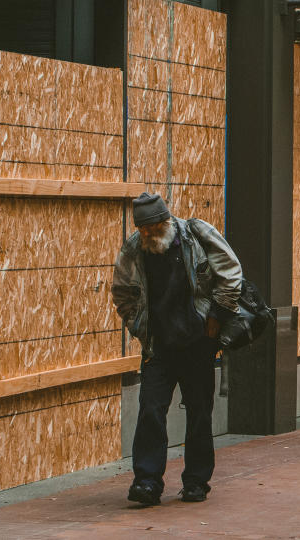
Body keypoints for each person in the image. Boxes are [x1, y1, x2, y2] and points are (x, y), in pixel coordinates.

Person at [112, 192, 242, 505]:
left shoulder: (196, 234)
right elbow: (122, 292)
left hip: (198, 343)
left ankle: (197, 482)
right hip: (159, 347)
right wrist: (139, 328)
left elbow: (231, 273)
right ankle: (147, 482)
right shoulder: (134, 248)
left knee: (199, 414)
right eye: (142, 229)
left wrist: (217, 316)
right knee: (151, 411)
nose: (147, 235)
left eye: (153, 228)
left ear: (165, 221)